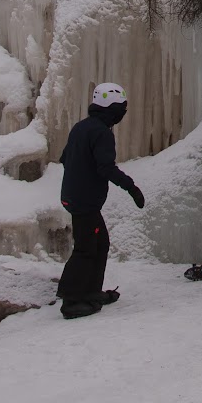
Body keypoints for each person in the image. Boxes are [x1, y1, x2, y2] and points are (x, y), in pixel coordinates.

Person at [57, 82, 146, 319]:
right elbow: (106, 168)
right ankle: (71, 300)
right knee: (86, 248)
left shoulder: (82, 127)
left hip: (74, 197)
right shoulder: (102, 133)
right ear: (111, 108)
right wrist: (132, 187)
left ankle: (91, 292)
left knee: (100, 244)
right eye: (121, 108)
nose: (123, 113)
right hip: (85, 202)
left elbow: (65, 158)